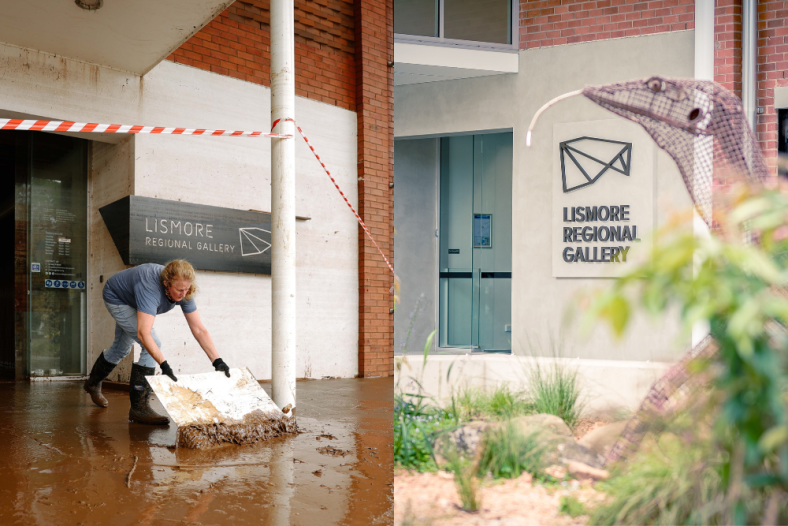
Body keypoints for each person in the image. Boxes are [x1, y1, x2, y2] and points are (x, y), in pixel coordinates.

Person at [83, 259, 231, 425]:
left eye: (187, 289)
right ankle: (139, 408)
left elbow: (199, 329)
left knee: (120, 349)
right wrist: (164, 364)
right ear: (166, 283)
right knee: (152, 343)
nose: (183, 294)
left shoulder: (184, 289)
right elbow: (143, 333)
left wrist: (217, 361)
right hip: (118, 297)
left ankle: (92, 383)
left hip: (133, 298)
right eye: (179, 290)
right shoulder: (150, 287)